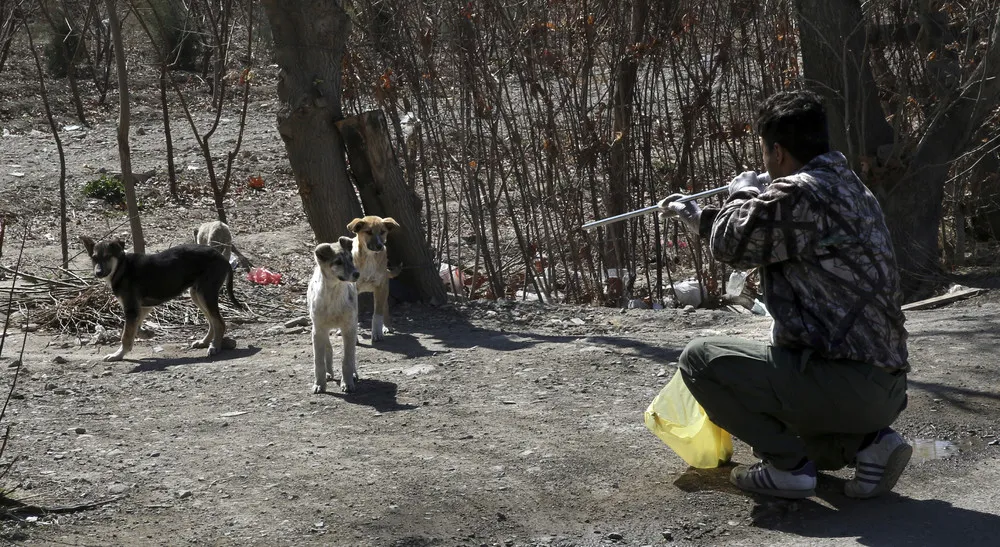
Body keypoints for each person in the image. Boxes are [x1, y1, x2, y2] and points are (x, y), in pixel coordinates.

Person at [657, 89, 910, 500]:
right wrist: (698, 217)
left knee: (700, 359)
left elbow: (732, 244)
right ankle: (870, 444)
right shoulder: (847, 185)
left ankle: (788, 469)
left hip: (846, 383)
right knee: (781, 418)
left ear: (777, 151)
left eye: (764, 152)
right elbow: (763, 237)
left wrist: (741, 192)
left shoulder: (800, 192)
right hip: (882, 387)